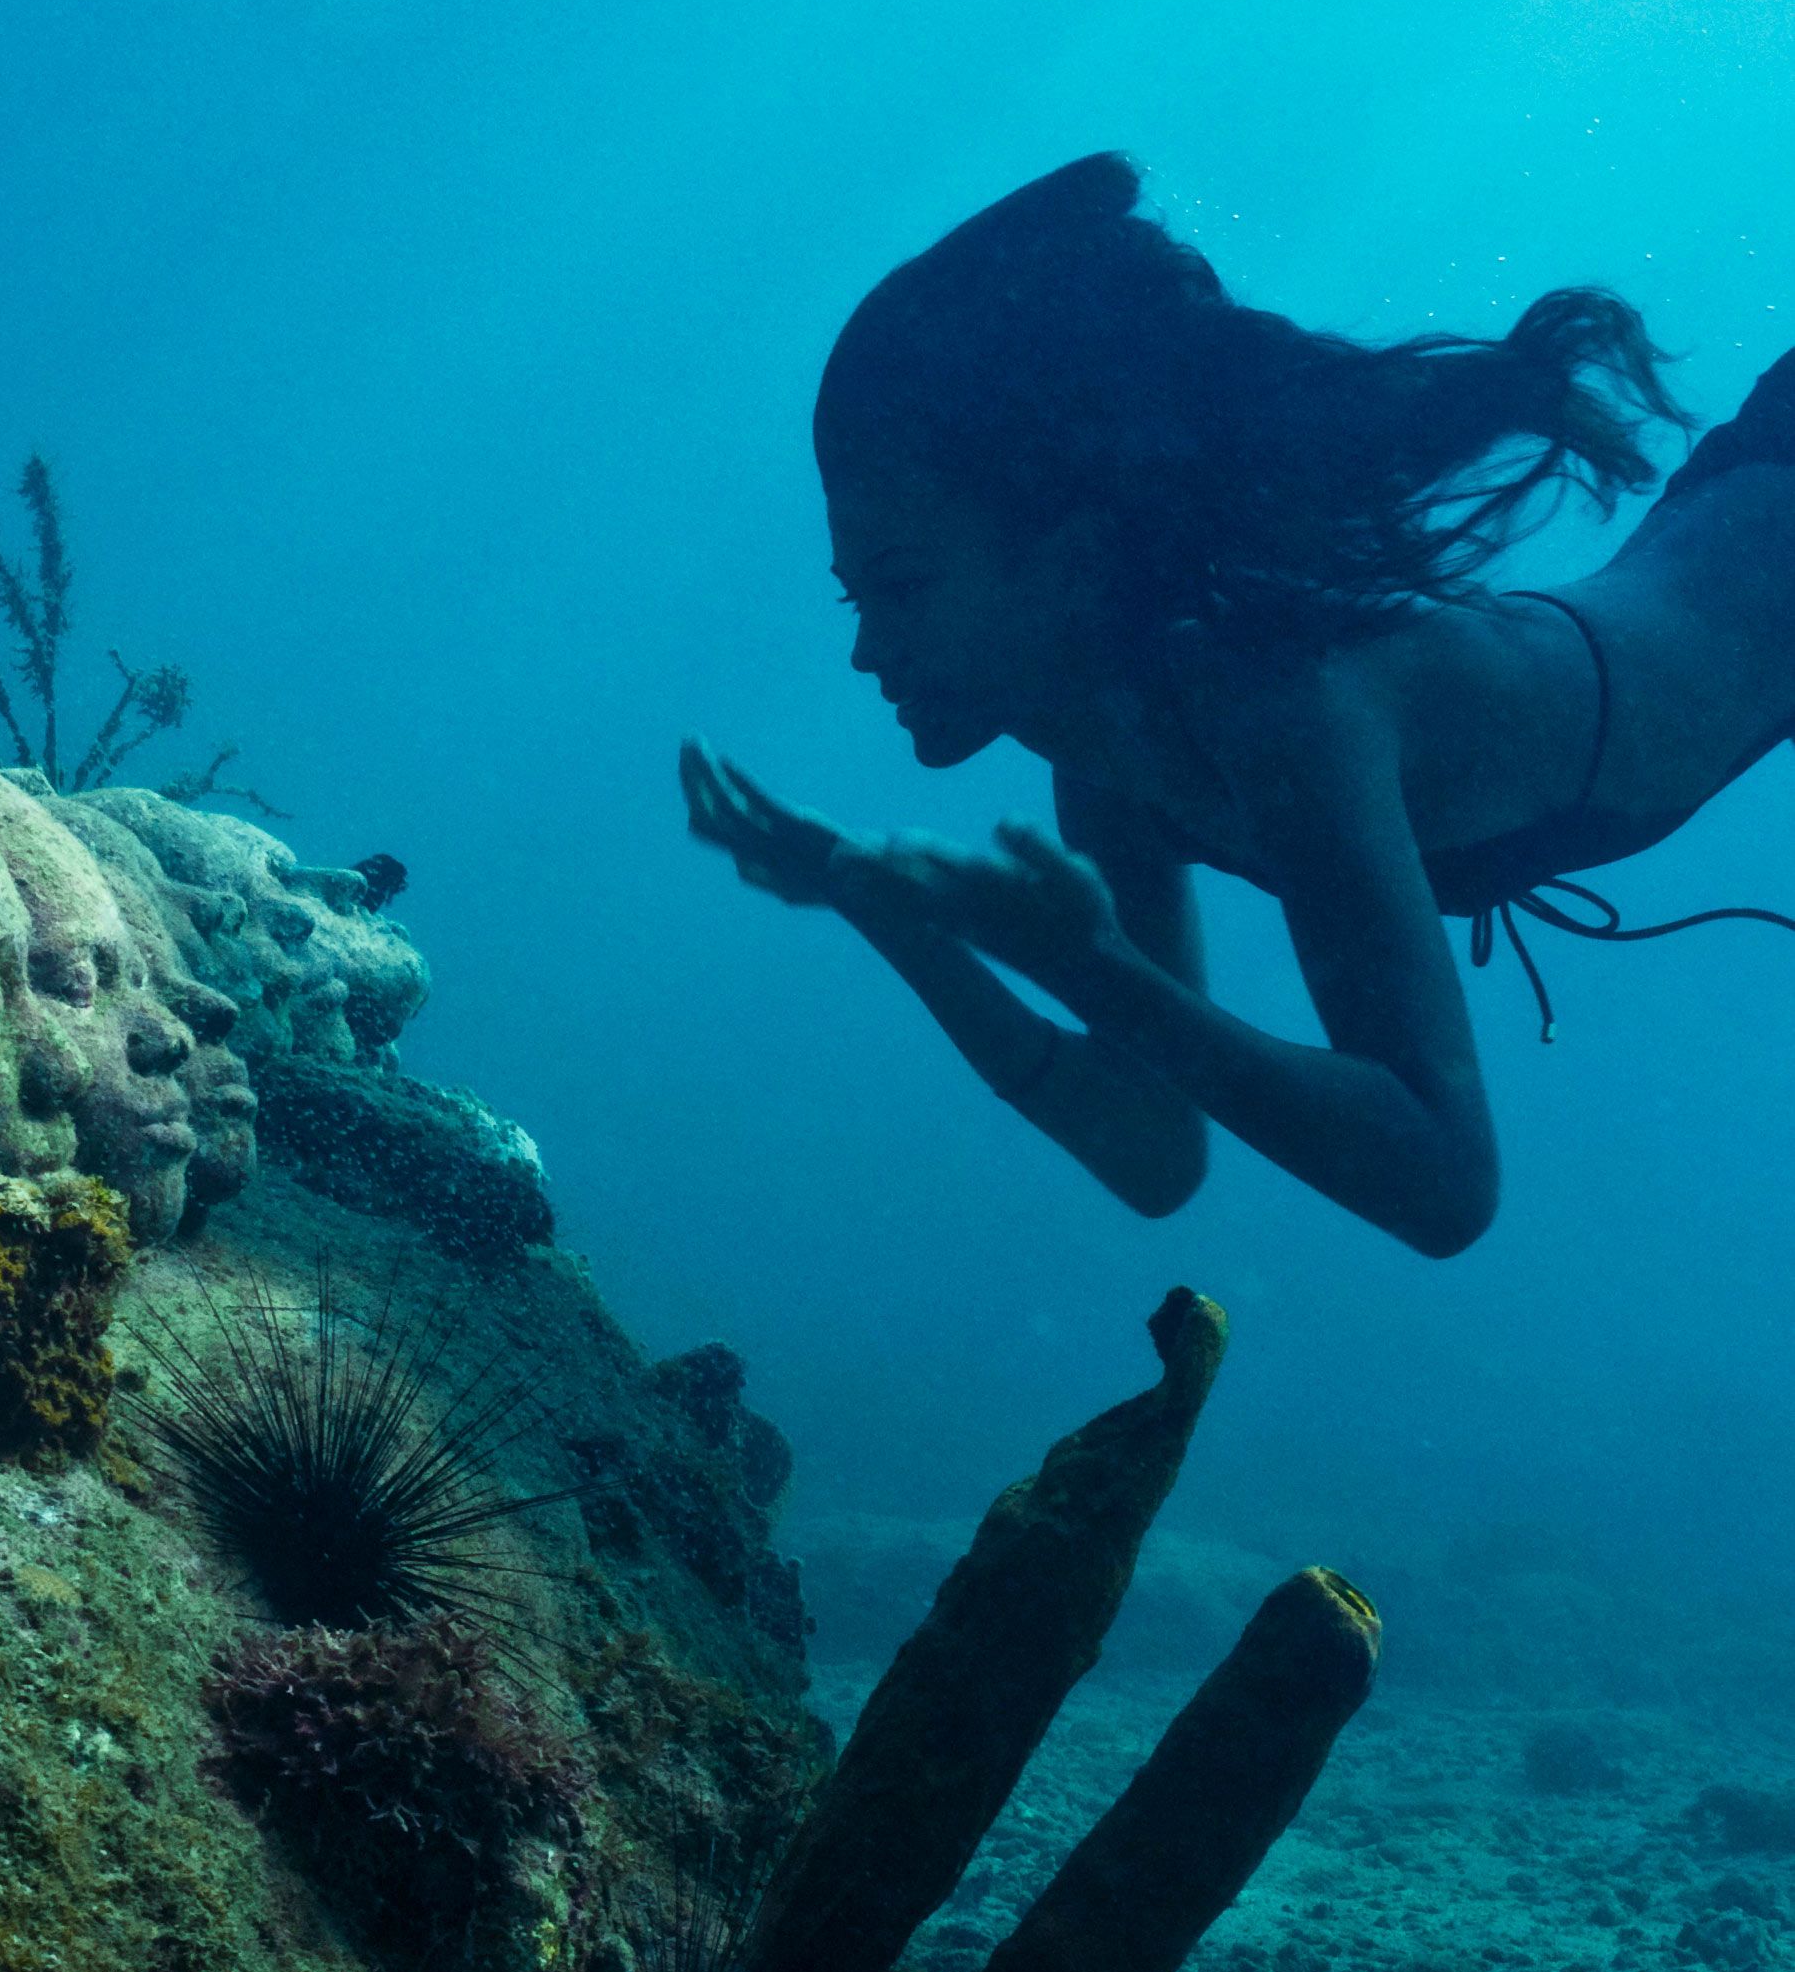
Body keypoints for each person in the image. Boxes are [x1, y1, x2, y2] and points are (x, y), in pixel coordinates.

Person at [682, 152, 1795, 1258]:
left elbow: (1444, 1183)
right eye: (854, 595)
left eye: (902, 586)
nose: (867, 652)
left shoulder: (1281, 704)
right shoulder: (1103, 755)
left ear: (1068, 552)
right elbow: (1154, 1156)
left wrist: (1086, 966)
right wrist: (904, 919)